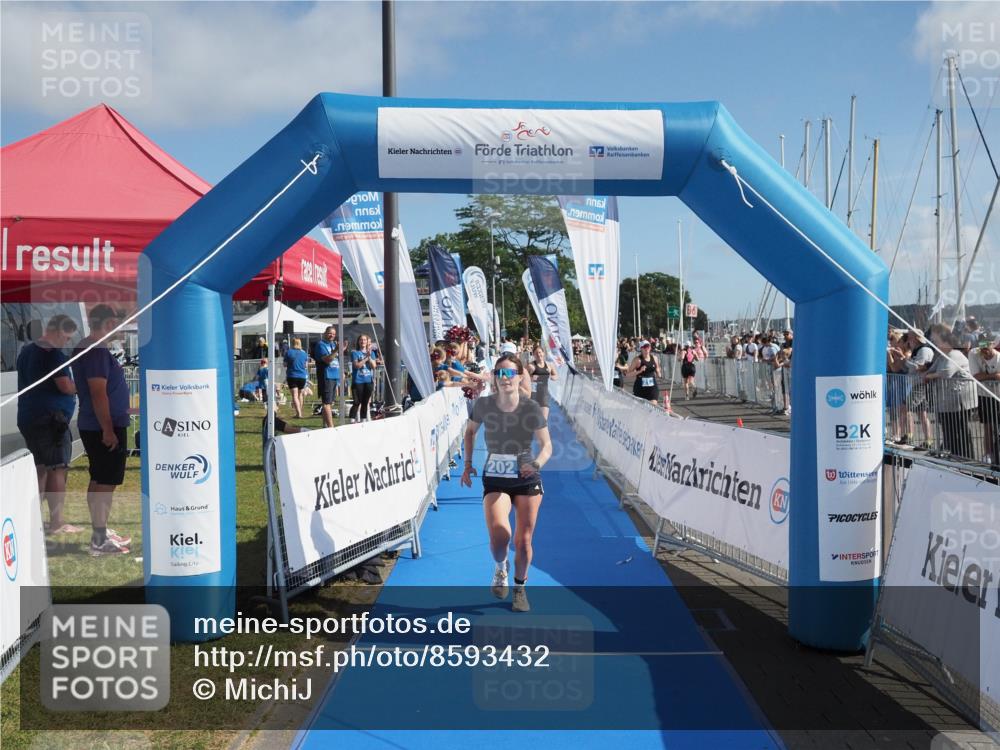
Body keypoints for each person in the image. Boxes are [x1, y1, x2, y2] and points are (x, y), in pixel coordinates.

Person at [461, 355, 552, 613]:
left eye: (510, 373)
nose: (505, 378)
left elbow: (547, 446)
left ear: (520, 376)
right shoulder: (484, 404)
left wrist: (536, 464)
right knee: (500, 533)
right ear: (495, 377)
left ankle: (520, 589)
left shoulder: (530, 407)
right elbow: (470, 432)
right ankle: (501, 567)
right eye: (500, 373)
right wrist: (468, 464)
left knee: (523, 541)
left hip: (526, 478)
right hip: (496, 477)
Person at [71, 305, 132, 556]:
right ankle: (98, 539)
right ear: (108, 323)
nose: (120, 328)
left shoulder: (90, 348)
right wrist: (108, 429)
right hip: (103, 426)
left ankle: (101, 531)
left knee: (99, 479)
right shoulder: (95, 351)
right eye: (117, 323)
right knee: (105, 481)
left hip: (97, 424)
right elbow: (98, 393)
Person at [16, 314, 82, 535]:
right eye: (66, 337)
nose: (66, 342)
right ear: (56, 331)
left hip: (29, 416)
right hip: (51, 420)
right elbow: (65, 386)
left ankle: (33, 519)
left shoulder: (26, 352)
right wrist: (80, 386)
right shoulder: (52, 354)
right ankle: (57, 522)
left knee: (41, 468)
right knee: (57, 468)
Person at [923, 324, 976, 459]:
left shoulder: (954, 354)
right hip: (947, 401)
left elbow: (946, 373)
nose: (934, 344)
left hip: (959, 401)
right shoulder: (942, 356)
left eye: (936, 341)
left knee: (959, 429)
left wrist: (930, 376)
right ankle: (953, 454)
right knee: (948, 429)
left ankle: (965, 456)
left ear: (945, 341)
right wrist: (929, 375)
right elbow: (930, 371)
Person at [969, 334, 1000, 466]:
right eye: (982, 346)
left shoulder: (999, 357)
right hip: (985, 395)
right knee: (988, 426)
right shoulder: (974, 353)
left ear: (993, 344)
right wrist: (994, 375)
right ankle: (988, 454)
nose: (984, 350)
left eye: (987, 346)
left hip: (998, 396)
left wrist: (986, 376)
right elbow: (976, 376)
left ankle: (996, 454)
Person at [313, 327, 341, 428]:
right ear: (325, 333)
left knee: (330, 402)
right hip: (326, 375)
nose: (332, 335)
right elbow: (327, 359)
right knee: (326, 403)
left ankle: (325, 426)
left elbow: (336, 360)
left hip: (334, 375)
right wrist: (336, 350)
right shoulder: (321, 345)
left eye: (333, 334)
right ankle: (331, 427)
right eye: (330, 333)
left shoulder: (333, 344)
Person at [349, 334, 379, 423]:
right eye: (361, 340)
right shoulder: (355, 353)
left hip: (368, 381)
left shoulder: (371, 353)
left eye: (364, 340)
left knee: (365, 402)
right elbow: (357, 365)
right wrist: (366, 358)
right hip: (358, 381)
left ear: (367, 342)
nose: (363, 341)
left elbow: (373, 366)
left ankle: (363, 420)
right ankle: (352, 420)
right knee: (357, 402)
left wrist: (369, 357)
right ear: (358, 342)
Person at [526, 345, 557, 419]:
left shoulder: (549, 365)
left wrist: (552, 377)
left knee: (544, 419)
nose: (538, 354)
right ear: (533, 355)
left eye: (540, 352)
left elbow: (555, 375)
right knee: (534, 418)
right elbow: (522, 376)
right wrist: (530, 378)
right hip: (533, 393)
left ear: (543, 353)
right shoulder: (531, 366)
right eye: (536, 353)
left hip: (544, 393)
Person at [283, 338, 309, 419]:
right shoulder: (304, 353)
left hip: (292, 375)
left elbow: (284, 364)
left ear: (292, 343)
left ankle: (299, 414)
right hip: (302, 376)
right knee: (300, 395)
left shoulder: (289, 352)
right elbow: (306, 365)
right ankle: (299, 412)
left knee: (294, 395)